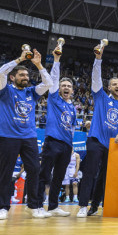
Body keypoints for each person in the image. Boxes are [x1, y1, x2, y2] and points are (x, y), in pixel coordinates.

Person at [0, 47, 53, 220]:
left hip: (29, 136)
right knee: (6, 172)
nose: (25, 78)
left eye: (27, 75)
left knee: (34, 169)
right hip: (7, 136)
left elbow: (48, 84)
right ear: (13, 77)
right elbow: (0, 73)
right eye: (22, 75)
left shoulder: (31, 92)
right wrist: (19, 59)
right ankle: (3, 207)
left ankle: (33, 206)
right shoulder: (4, 90)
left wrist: (39, 65)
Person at [77, 44, 118, 218]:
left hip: (113, 144)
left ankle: (97, 206)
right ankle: (82, 206)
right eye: (114, 84)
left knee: (106, 177)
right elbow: (95, 78)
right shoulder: (100, 97)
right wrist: (98, 59)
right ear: (108, 88)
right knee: (90, 173)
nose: (117, 85)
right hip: (96, 140)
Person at [34, 43, 76, 218]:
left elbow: (72, 128)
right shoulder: (54, 98)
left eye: (68, 86)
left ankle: (53, 206)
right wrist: (57, 60)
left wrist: (71, 145)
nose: (66, 87)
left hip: (66, 145)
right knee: (45, 174)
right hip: (52, 142)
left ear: (72, 90)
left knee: (59, 177)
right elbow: (53, 78)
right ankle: (37, 205)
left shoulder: (73, 108)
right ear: (59, 88)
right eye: (63, 85)